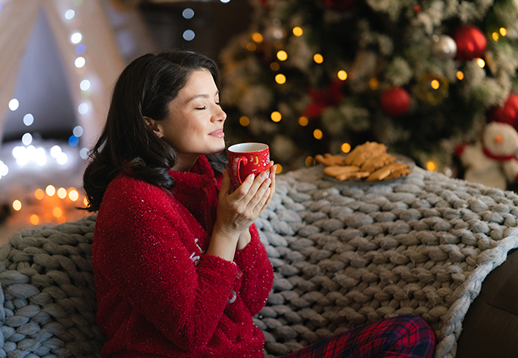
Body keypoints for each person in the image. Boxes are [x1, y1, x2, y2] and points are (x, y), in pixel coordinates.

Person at [83, 50, 435, 358]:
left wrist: (242, 225)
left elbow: (251, 298)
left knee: (406, 335)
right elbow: (191, 330)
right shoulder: (133, 203)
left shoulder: (210, 181)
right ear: (152, 125)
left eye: (217, 101)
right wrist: (227, 228)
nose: (220, 115)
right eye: (201, 106)